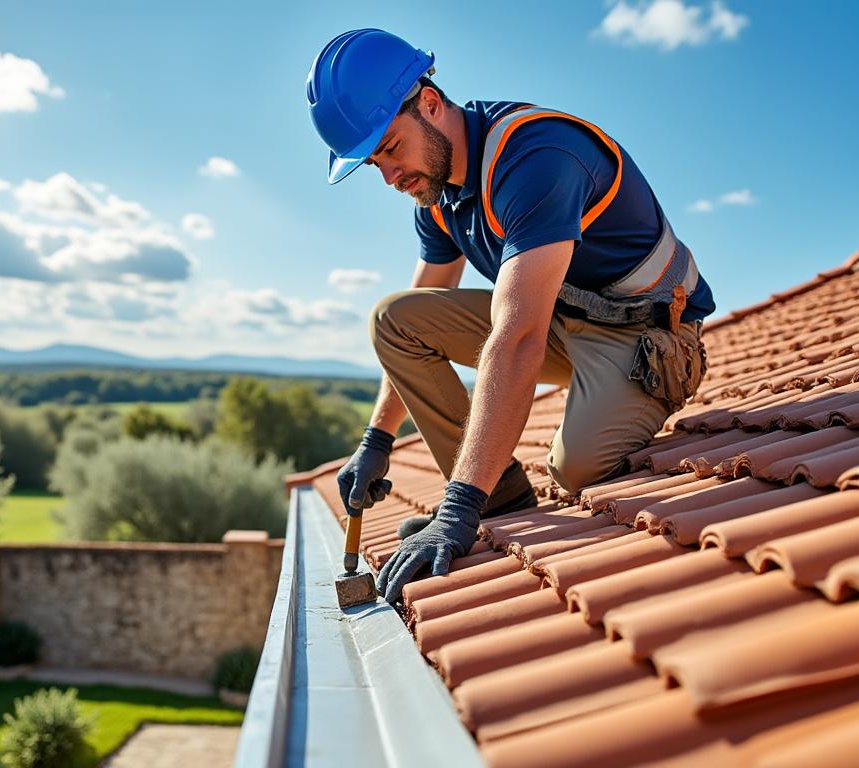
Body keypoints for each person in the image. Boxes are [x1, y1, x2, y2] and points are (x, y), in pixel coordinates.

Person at [306, 29, 715, 603]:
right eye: (374, 163)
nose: (390, 177)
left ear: (429, 103)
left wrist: (455, 508)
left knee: (575, 470)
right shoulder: (437, 194)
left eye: (391, 148)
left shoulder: (535, 157)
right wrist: (376, 438)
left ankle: (475, 493)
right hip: (559, 322)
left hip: (644, 337)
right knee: (392, 319)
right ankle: (497, 493)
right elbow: (416, 312)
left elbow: (517, 334)